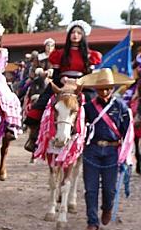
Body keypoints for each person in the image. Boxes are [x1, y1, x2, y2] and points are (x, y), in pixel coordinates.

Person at [25, 20, 102, 152]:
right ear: (69, 35)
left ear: (83, 36)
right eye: (73, 32)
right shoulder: (59, 54)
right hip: (62, 83)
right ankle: (34, 137)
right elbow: (56, 74)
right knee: (41, 103)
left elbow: (89, 74)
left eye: (79, 33)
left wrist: (78, 81)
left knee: (94, 106)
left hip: (81, 85)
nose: (75, 35)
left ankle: (93, 137)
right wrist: (63, 79)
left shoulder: (90, 55)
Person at [79, 69, 133, 230]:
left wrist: (127, 155)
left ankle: (107, 208)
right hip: (92, 149)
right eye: (101, 88)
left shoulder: (120, 106)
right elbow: (80, 128)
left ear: (113, 88)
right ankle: (92, 222)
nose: (104, 91)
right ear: (96, 89)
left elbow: (127, 132)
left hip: (112, 150)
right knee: (91, 189)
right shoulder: (87, 107)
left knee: (110, 189)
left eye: (108, 88)